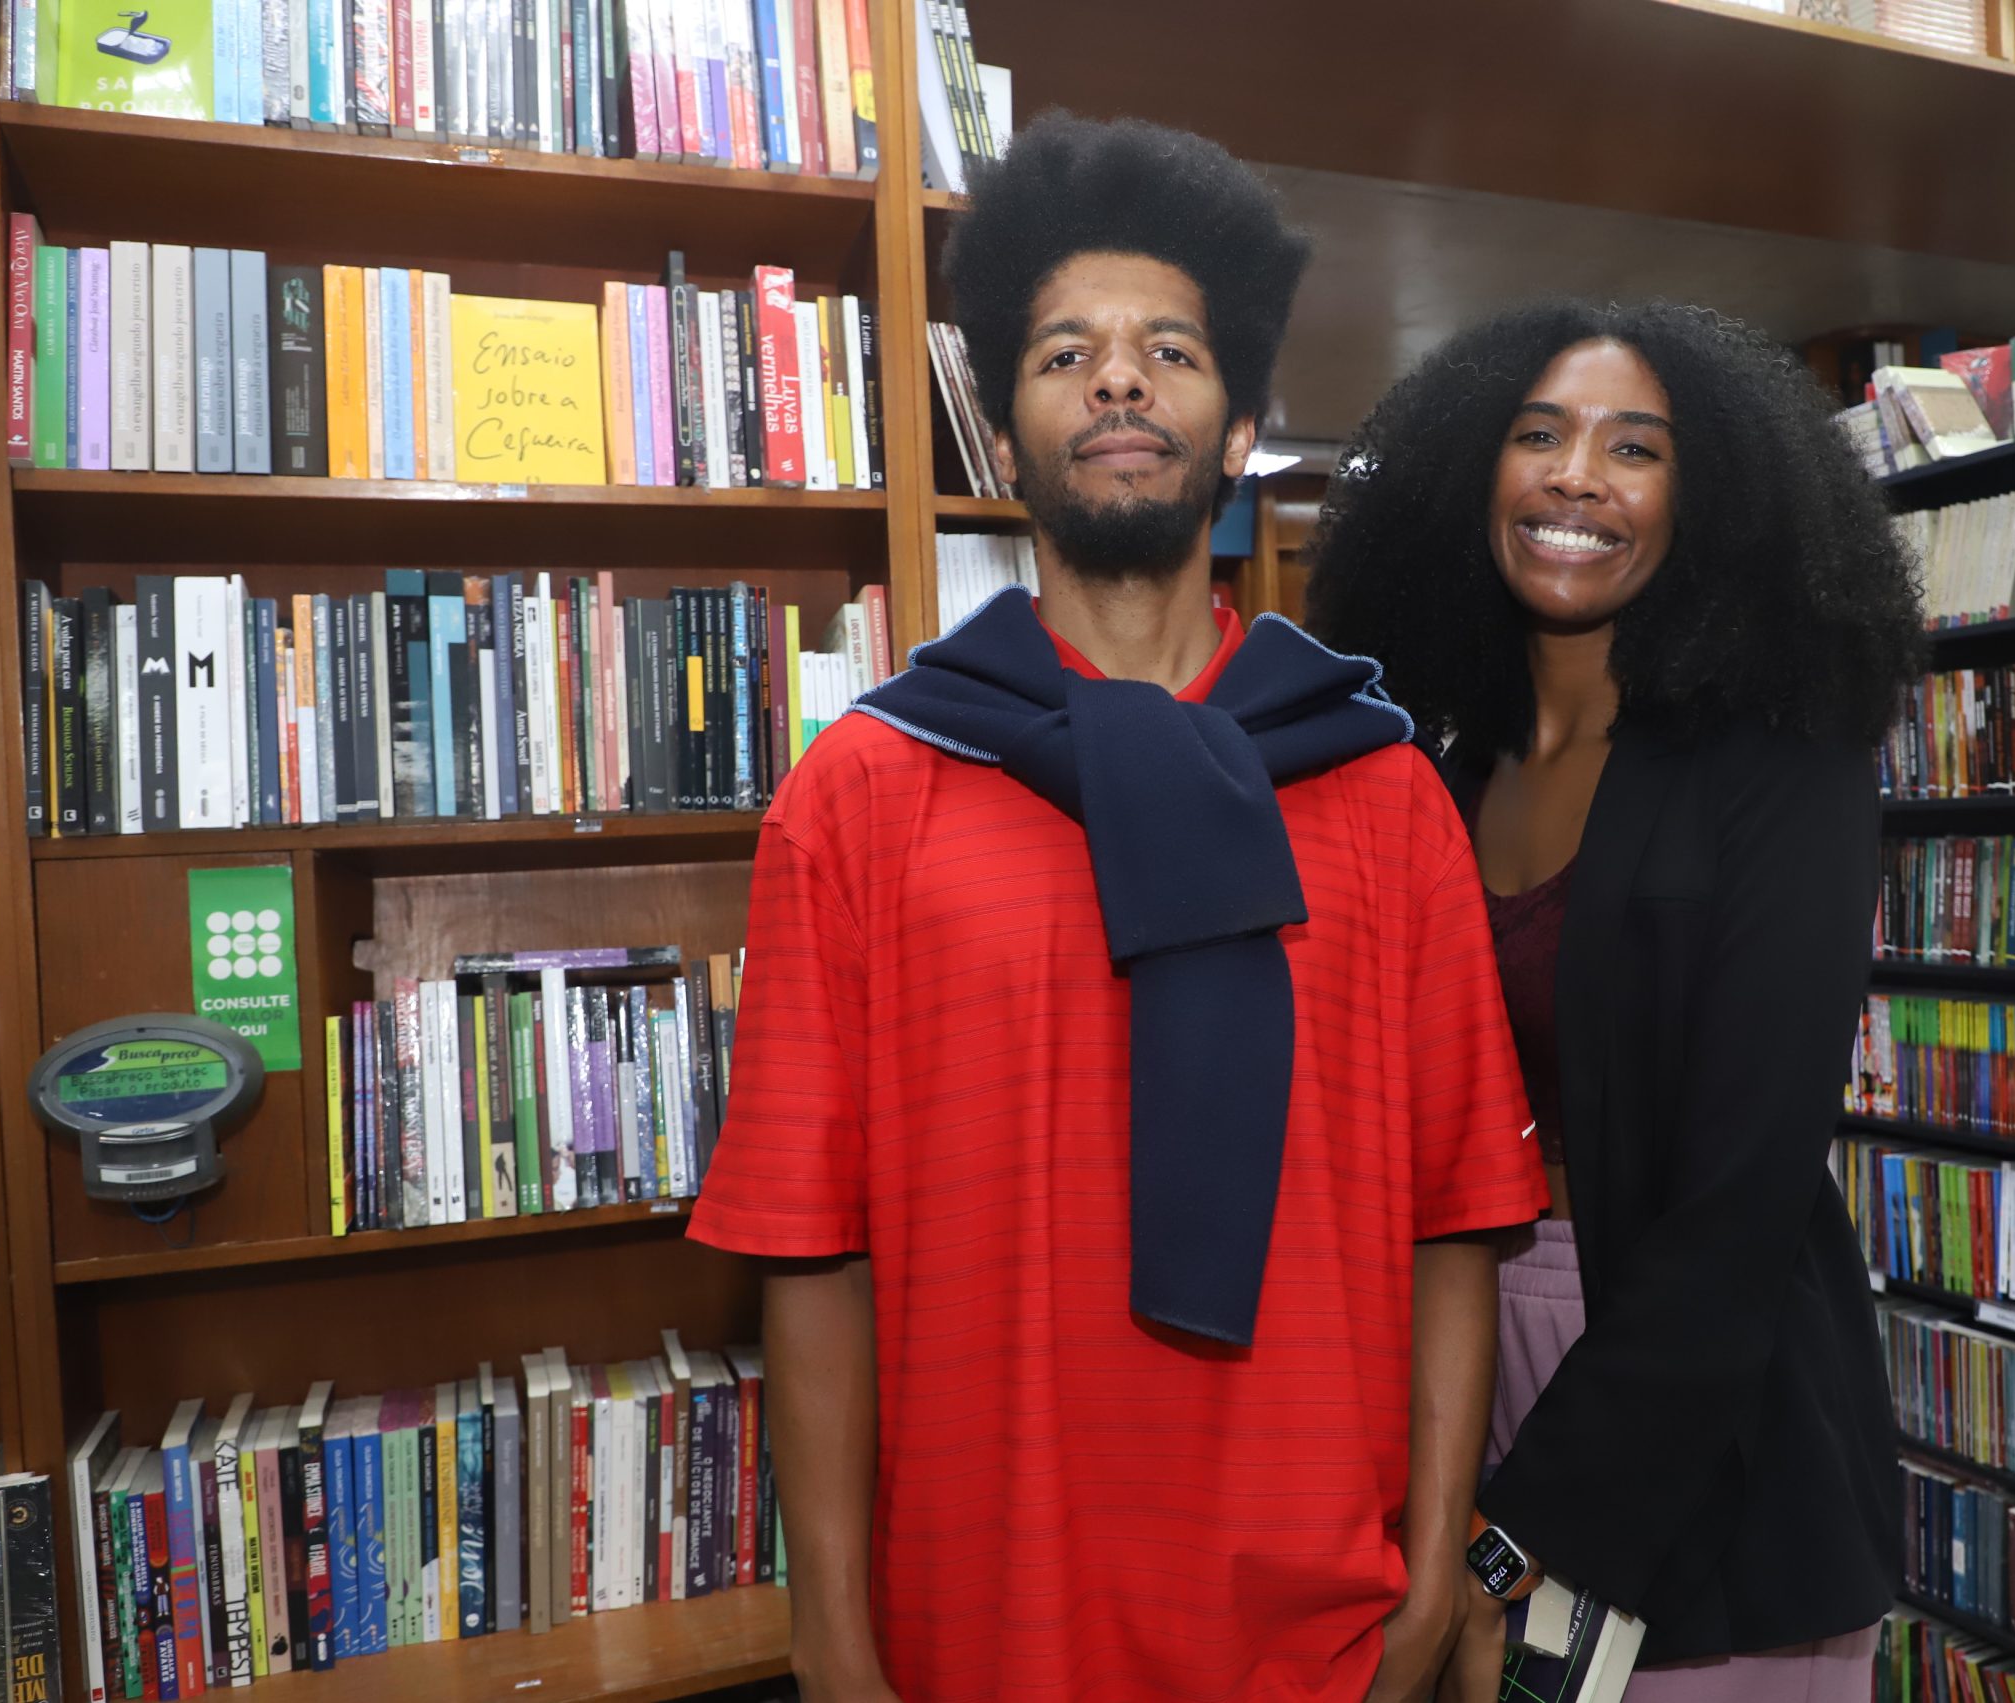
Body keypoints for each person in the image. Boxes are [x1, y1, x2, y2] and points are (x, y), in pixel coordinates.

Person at [686, 113, 1549, 1703]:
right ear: (1005, 437)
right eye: (1065, 353)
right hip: (980, 1626)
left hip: (1321, 1633)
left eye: (1170, 350)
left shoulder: (1388, 800)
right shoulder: (862, 792)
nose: (1120, 381)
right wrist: (831, 1640)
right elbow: (812, 1249)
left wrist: (1432, 1583)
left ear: (1240, 430)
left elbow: (1457, 1219)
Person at [1307, 299, 1928, 1700]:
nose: (1578, 476)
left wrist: (1503, 1542)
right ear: (1471, 471)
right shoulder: (1436, 771)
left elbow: (1740, 1204)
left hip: (1698, 1402)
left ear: (1709, 502)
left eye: (1634, 448)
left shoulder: (1785, 765)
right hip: (1458, 1351)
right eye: (1539, 435)